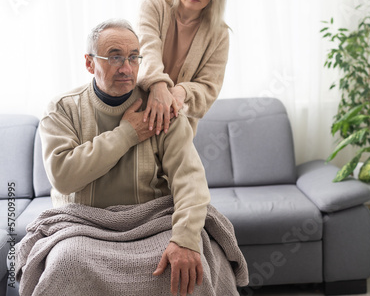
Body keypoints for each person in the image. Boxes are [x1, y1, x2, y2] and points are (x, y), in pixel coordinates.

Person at [25, 19, 246, 296]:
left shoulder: (161, 108)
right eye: (115, 57)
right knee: (67, 262)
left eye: (133, 57)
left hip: (152, 221)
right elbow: (64, 177)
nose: (126, 68)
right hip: (83, 224)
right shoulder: (61, 109)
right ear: (90, 63)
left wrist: (186, 239)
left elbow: (189, 180)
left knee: (194, 261)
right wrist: (127, 133)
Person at [137, 0, 229, 135]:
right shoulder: (154, 4)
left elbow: (209, 88)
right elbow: (147, 50)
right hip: (137, 114)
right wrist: (158, 86)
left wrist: (182, 91)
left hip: (177, 129)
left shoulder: (220, 34)